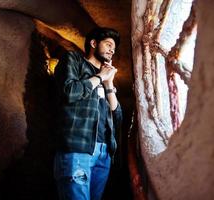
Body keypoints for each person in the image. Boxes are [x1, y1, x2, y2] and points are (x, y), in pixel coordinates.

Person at [53, 27, 122, 200]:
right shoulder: (74, 60)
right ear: (93, 43)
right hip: (78, 149)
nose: (112, 50)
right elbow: (70, 91)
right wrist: (100, 77)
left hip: (104, 153)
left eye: (114, 47)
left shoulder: (106, 78)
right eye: (108, 44)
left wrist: (109, 84)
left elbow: (117, 116)